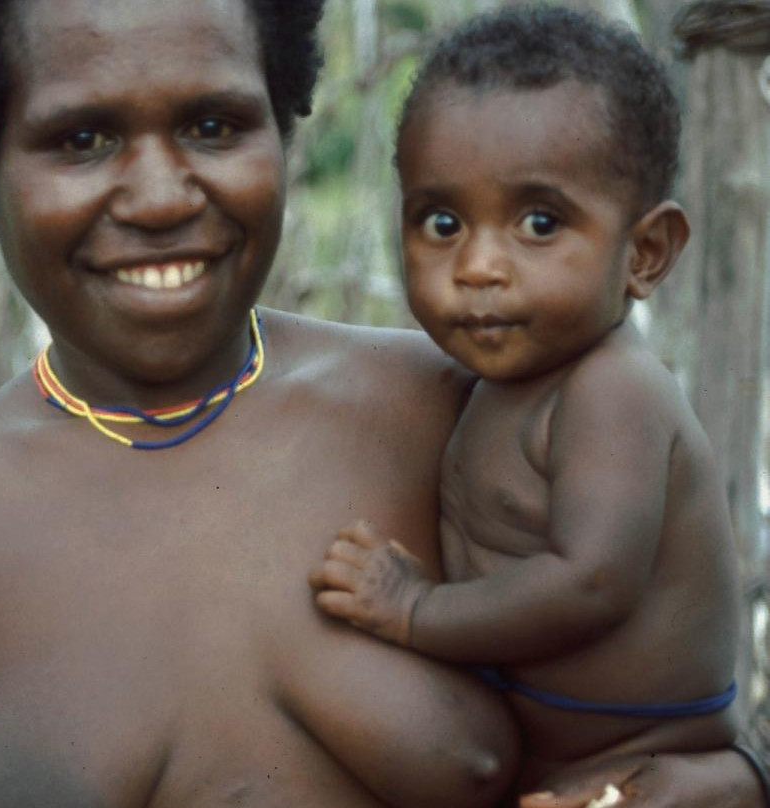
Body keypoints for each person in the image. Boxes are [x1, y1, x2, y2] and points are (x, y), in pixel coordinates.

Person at [0, 0, 767, 806]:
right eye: (83, 139)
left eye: (214, 126)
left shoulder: (462, 409)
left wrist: (726, 782)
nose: (156, 196)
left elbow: (673, 703)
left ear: (283, 125)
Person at [307, 4, 743, 797]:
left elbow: (590, 581)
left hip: (649, 759)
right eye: (440, 222)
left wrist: (414, 611)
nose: (476, 265)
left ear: (642, 253)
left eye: (538, 223)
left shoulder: (612, 390)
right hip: (540, 755)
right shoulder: (485, 383)